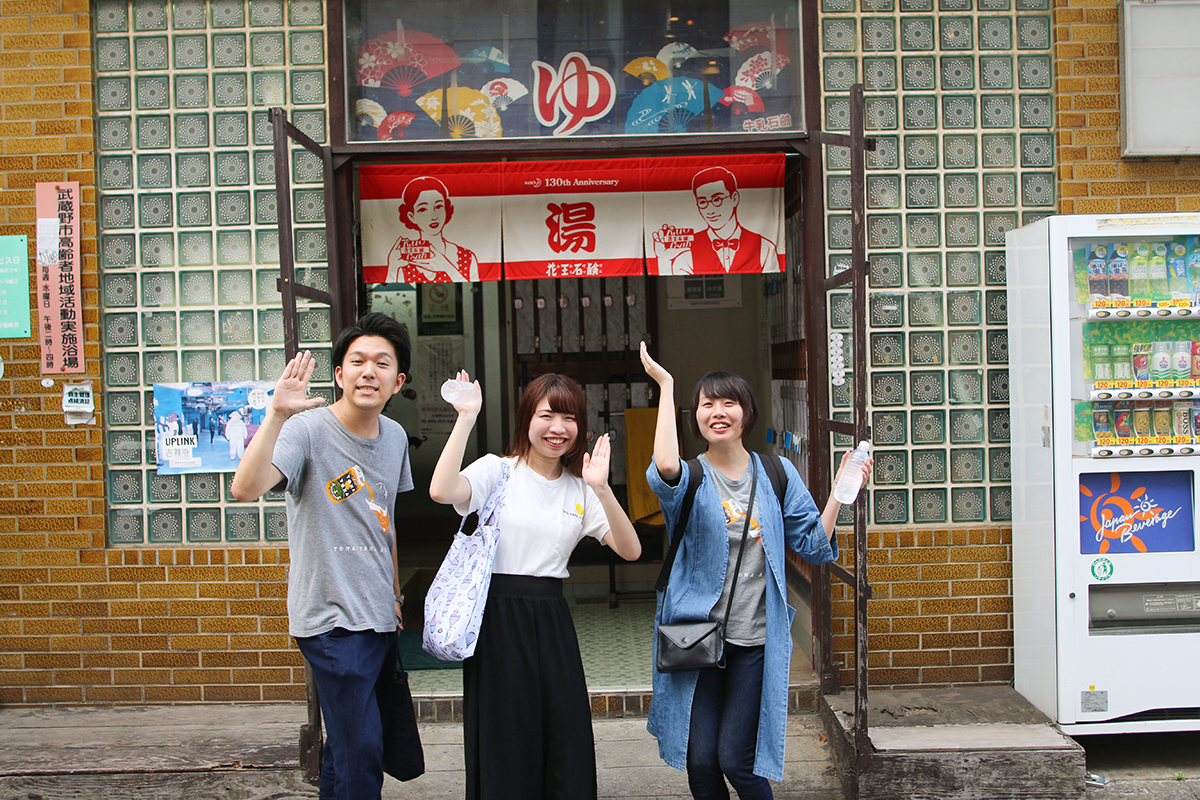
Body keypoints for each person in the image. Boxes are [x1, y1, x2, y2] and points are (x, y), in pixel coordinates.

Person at [639, 342, 870, 799]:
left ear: (748, 413)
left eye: (730, 402)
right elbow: (664, 464)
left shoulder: (777, 472)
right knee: (700, 758)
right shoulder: (690, 477)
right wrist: (666, 385)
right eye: (708, 403)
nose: (718, 411)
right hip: (697, 637)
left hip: (755, 641)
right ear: (696, 416)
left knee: (735, 759)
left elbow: (813, 545)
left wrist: (840, 496)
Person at [429, 371, 643, 800]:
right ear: (528, 417)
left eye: (569, 418)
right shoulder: (497, 471)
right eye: (547, 415)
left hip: (552, 620)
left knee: (564, 732)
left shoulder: (579, 490)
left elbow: (630, 549)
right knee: (505, 735)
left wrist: (602, 489)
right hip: (497, 621)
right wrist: (466, 418)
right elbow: (441, 490)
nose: (558, 428)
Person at [231, 313, 415, 800]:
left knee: (345, 746)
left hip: (377, 615)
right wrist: (276, 415)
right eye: (356, 361)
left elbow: (385, 525)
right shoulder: (306, 430)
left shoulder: (395, 437)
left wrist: (394, 596)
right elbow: (245, 488)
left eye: (381, 363)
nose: (367, 371)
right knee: (364, 747)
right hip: (329, 619)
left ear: (398, 381)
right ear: (339, 374)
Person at [654, 166, 780, 276]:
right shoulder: (687, 251)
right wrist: (663, 259)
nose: (710, 210)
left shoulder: (765, 247)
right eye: (702, 202)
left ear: (734, 198)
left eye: (717, 199)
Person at [385, 176, 480, 283]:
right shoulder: (403, 260)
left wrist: (447, 267)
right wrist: (393, 267)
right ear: (411, 216)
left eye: (438, 207)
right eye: (423, 209)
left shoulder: (467, 257)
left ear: (446, 209)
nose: (433, 216)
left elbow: (472, 285)